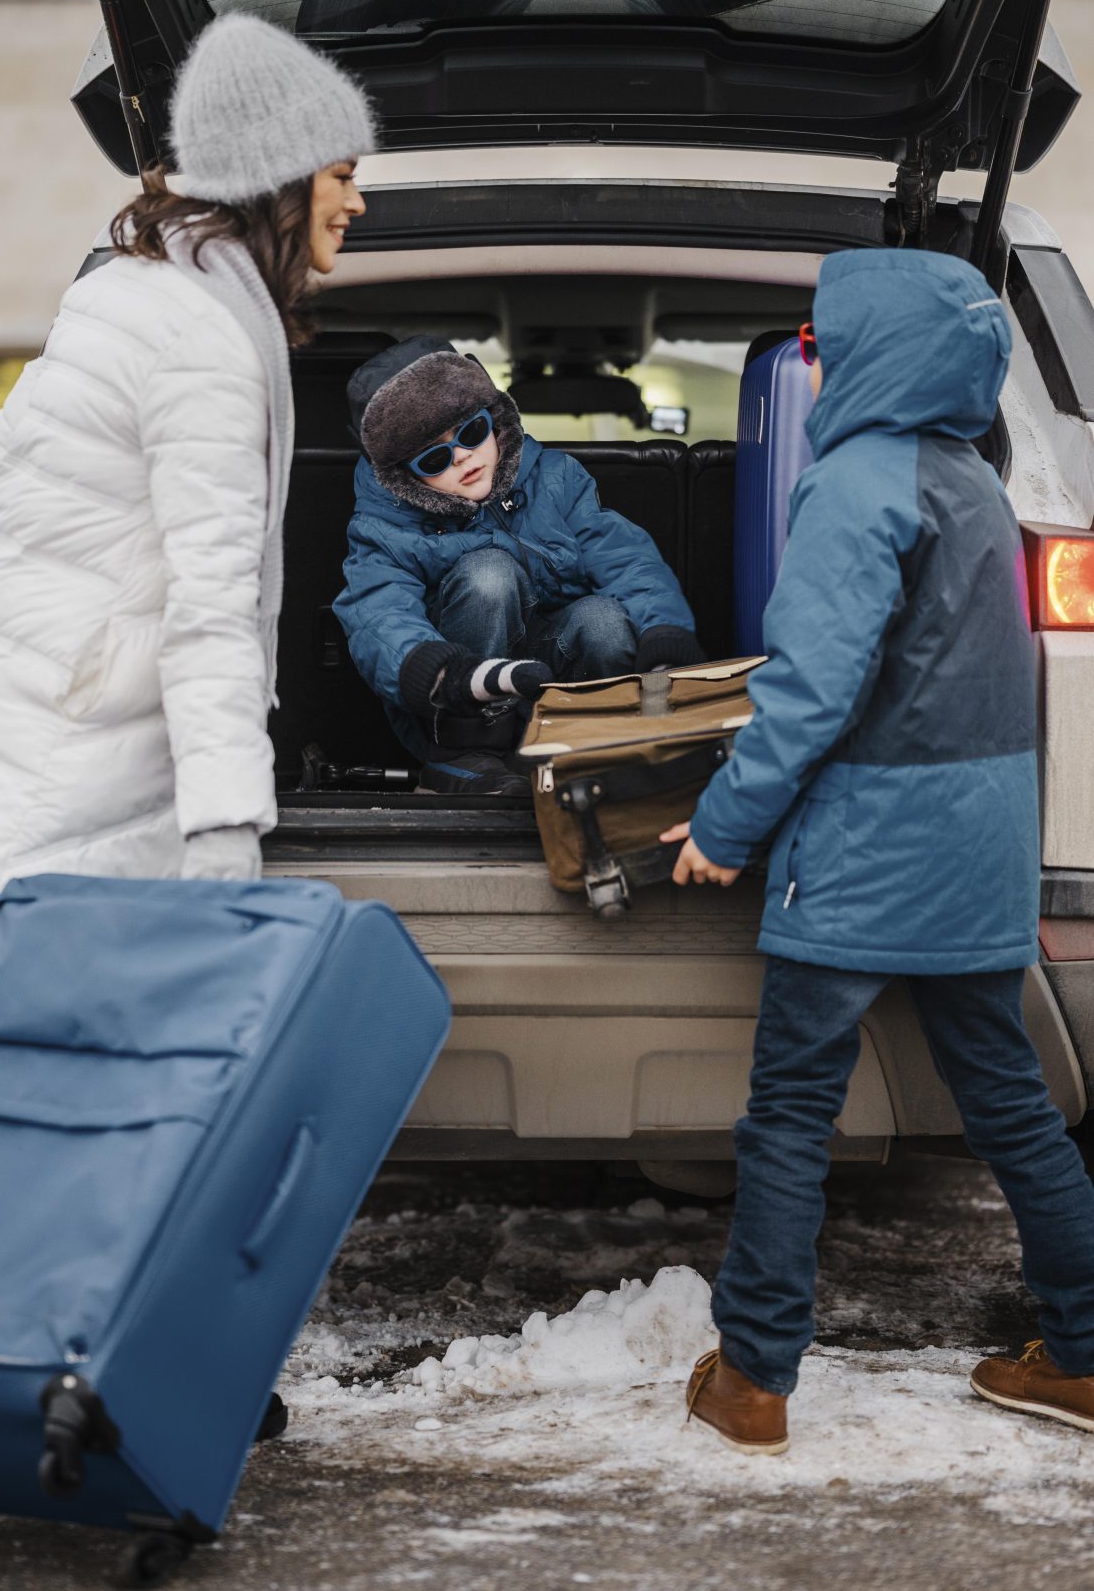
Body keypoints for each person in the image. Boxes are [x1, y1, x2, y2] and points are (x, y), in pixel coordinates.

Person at [660, 248, 1094, 1454]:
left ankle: (750, 1378)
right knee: (1012, 1110)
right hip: (978, 849)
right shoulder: (975, 482)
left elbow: (807, 693)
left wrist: (720, 828)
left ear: (876, 350)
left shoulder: (855, 482)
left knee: (789, 1113)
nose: (815, 354)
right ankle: (1081, 1355)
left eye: (823, 337)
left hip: (867, 848)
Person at [0, 12, 374, 1025]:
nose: (358, 197)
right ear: (280, 178)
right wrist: (223, 838)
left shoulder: (129, 289)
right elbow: (210, 609)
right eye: (339, 172)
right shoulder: (205, 344)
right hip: (71, 765)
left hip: (15, 724)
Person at [334, 336, 702, 794]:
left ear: (496, 421)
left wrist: (662, 630)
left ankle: (595, 738)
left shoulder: (554, 477)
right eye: (434, 458)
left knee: (602, 618)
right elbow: (376, 611)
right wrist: (442, 676)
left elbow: (624, 557)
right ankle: (471, 750)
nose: (464, 457)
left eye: (471, 433)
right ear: (404, 476)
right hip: (456, 694)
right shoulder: (385, 525)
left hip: (549, 669)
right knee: (489, 572)